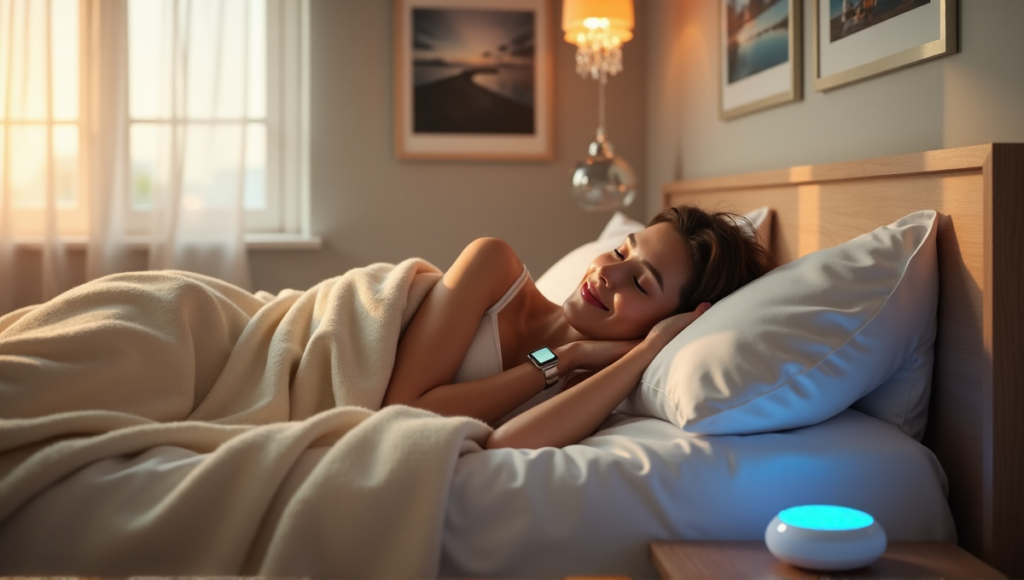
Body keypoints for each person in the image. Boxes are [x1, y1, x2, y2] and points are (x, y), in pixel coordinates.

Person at [383, 205, 777, 450]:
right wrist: (560, 359)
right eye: (622, 251)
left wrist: (642, 351)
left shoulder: (590, 386)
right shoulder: (493, 266)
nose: (608, 272)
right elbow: (401, 414)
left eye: (640, 283)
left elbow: (507, 443)